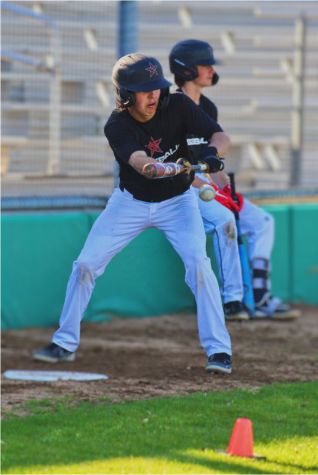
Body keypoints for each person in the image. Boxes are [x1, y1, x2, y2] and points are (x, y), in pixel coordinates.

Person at [34, 53, 233, 374]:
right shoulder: (117, 124)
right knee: (85, 265)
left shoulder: (178, 104)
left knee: (198, 265)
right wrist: (165, 167)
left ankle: (220, 351)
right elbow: (143, 165)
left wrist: (210, 154)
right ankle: (64, 344)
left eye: (156, 87)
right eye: (144, 90)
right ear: (125, 94)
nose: (154, 94)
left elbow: (222, 137)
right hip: (130, 203)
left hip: (178, 202)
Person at [169, 39, 301, 321]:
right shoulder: (170, 107)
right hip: (180, 187)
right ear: (187, 69)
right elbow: (174, 165)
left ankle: (261, 294)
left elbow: (213, 162)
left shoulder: (208, 108)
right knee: (224, 220)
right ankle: (232, 299)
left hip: (206, 185)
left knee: (262, 222)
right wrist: (209, 189)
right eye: (204, 65)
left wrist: (226, 190)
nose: (210, 70)